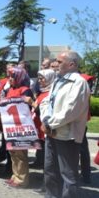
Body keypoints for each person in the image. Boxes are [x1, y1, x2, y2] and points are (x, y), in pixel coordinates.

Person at [40, 51, 91, 197]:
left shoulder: (79, 83)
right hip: (51, 133)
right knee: (50, 171)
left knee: (68, 175)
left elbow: (70, 111)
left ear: (72, 64)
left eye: (59, 61)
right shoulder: (58, 80)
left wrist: (50, 124)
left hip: (67, 136)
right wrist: (45, 121)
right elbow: (46, 102)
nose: (55, 64)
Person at [3, 66, 34, 188]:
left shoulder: (25, 90)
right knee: (13, 153)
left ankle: (22, 179)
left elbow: (29, 108)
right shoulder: (9, 89)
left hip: (21, 126)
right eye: (9, 76)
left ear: (20, 77)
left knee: (20, 154)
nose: (10, 79)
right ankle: (15, 176)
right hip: (10, 125)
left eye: (13, 77)